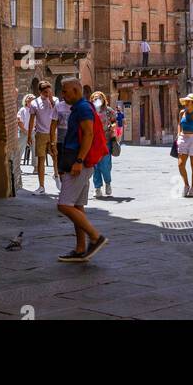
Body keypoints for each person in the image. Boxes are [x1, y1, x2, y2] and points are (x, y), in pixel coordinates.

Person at [55, 77, 108, 263]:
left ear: (76, 91)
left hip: (79, 163)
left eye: (65, 91)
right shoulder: (80, 107)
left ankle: (96, 237)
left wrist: (79, 160)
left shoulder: (84, 108)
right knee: (77, 206)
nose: (62, 95)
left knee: (63, 205)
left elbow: (89, 134)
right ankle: (80, 249)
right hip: (80, 162)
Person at [30, 80, 58, 195]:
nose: (47, 94)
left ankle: (56, 175)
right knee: (41, 159)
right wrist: (28, 136)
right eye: (45, 92)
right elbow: (32, 120)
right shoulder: (34, 103)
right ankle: (41, 186)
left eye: (49, 91)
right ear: (40, 92)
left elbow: (57, 111)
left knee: (56, 156)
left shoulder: (55, 100)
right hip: (40, 134)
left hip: (53, 133)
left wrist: (50, 99)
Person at [90, 90, 116, 198]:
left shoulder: (108, 111)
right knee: (95, 166)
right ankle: (97, 188)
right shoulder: (90, 111)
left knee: (105, 165)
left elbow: (114, 121)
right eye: (95, 98)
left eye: (99, 98)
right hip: (93, 142)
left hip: (106, 140)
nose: (97, 100)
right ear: (92, 100)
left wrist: (113, 127)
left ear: (103, 99)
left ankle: (108, 183)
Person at [52, 80, 72, 192]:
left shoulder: (78, 106)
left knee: (71, 164)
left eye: (66, 92)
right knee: (61, 165)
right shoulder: (58, 106)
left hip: (74, 140)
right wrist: (52, 142)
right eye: (63, 92)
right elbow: (53, 125)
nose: (64, 94)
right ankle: (64, 185)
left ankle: (69, 187)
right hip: (60, 140)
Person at [17, 93, 35, 171]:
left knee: (35, 150)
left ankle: (36, 167)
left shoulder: (36, 110)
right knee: (20, 149)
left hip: (33, 132)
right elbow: (19, 121)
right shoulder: (22, 109)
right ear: (26, 100)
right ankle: (17, 166)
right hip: (23, 132)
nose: (30, 100)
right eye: (29, 98)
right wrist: (25, 131)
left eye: (32, 99)